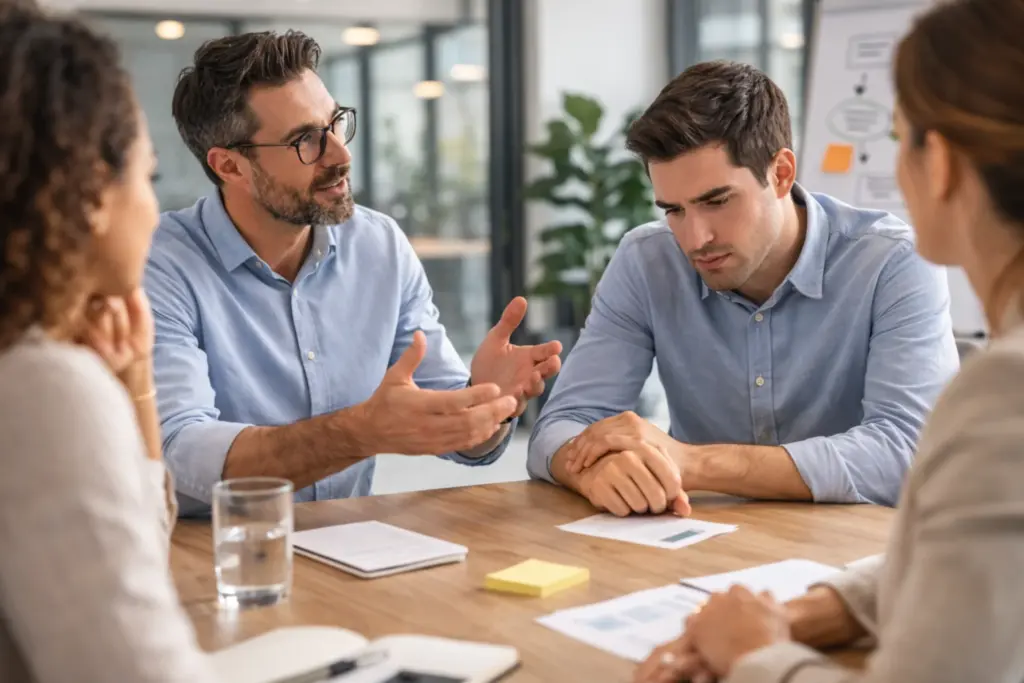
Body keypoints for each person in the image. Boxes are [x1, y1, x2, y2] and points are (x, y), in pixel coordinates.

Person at [635, 1, 1024, 681]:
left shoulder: (1004, 391)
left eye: (899, 138)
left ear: (939, 164)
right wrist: (813, 612)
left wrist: (756, 656)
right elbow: (971, 559)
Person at [148, 31, 562, 515]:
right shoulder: (160, 264)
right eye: (305, 140)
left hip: (346, 541)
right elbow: (179, 451)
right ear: (230, 167)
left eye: (336, 123)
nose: (341, 155)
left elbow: (452, 428)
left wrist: (488, 403)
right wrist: (358, 432)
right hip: (214, 548)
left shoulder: (378, 244)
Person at [527, 60, 958, 516]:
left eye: (717, 201)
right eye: (674, 210)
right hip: (700, 542)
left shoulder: (892, 261)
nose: (695, 239)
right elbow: (562, 425)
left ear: (781, 173)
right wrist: (593, 468)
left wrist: (694, 463)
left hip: (858, 549)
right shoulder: (645, 261)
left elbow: (908, 452)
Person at [0, 6, 216, 681]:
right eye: (147, 177)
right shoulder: (42, 388)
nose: (153, 209)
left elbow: (135, 556)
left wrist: (135, 377)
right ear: (94, 190)